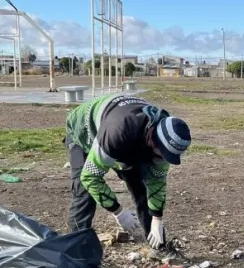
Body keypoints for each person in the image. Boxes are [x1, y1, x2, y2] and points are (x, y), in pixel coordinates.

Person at [65, 93, 191, 248]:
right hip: (84, 130)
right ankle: (77, 251)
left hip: (129, 135)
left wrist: (157, 219)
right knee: (84, 193)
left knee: (142, 187)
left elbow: (156, 182)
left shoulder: (165, 140)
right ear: (152, 139)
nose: (162, 159)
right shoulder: (119, 131)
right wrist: (118, 211)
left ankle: (158, 247)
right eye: (162, 154)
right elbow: (90, 176)